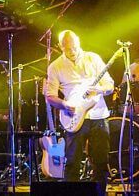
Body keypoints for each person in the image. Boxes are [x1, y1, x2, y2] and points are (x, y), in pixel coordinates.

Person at [43, 30, 114, 188]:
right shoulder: (55, 66)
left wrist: (99, 90)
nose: (73, 51)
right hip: (73, 117)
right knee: (72, 163)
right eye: (68, 49)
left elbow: (110, 85)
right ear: (61, 47)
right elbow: (50, 96)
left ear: (79, 42)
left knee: (101, 162)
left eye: (75, 47)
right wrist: (65, 105)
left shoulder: (93, 58)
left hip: (98, 116)